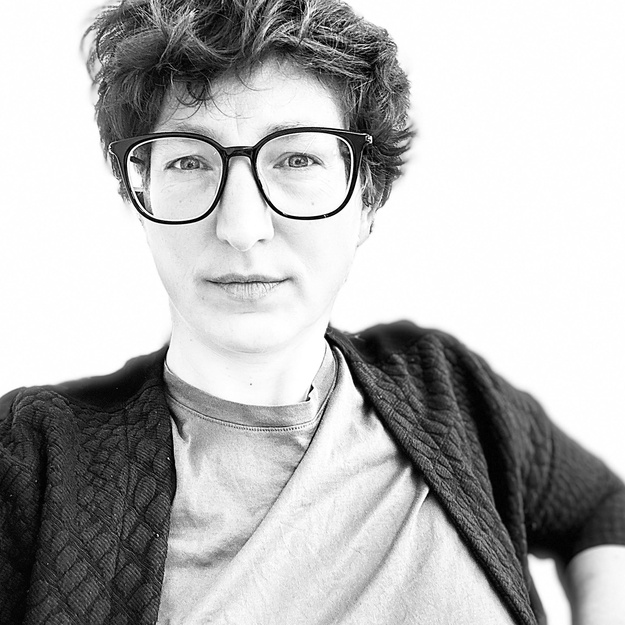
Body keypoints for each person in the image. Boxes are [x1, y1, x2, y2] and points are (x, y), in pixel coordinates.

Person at [1, 0, 624, 623]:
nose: (242, 227)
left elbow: (603, 509)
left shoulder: (450, 389)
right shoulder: (31, 462)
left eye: (297, 160)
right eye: (189, 161)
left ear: (368, 201)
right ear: (140, 194)